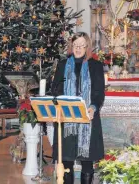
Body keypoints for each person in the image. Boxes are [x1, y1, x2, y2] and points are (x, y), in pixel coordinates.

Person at [51, 32, 105, 184]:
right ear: (71, 47)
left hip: (88, 118)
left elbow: (99, 92)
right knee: (66, 160)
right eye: (75, 45)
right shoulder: (62, 65)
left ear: (87, 47)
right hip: (66, 118)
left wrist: (93, 107)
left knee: (87, 161)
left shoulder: (96, 66)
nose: (78, 48)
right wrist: (62, 99)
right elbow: (55, 88)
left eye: (82, 45)